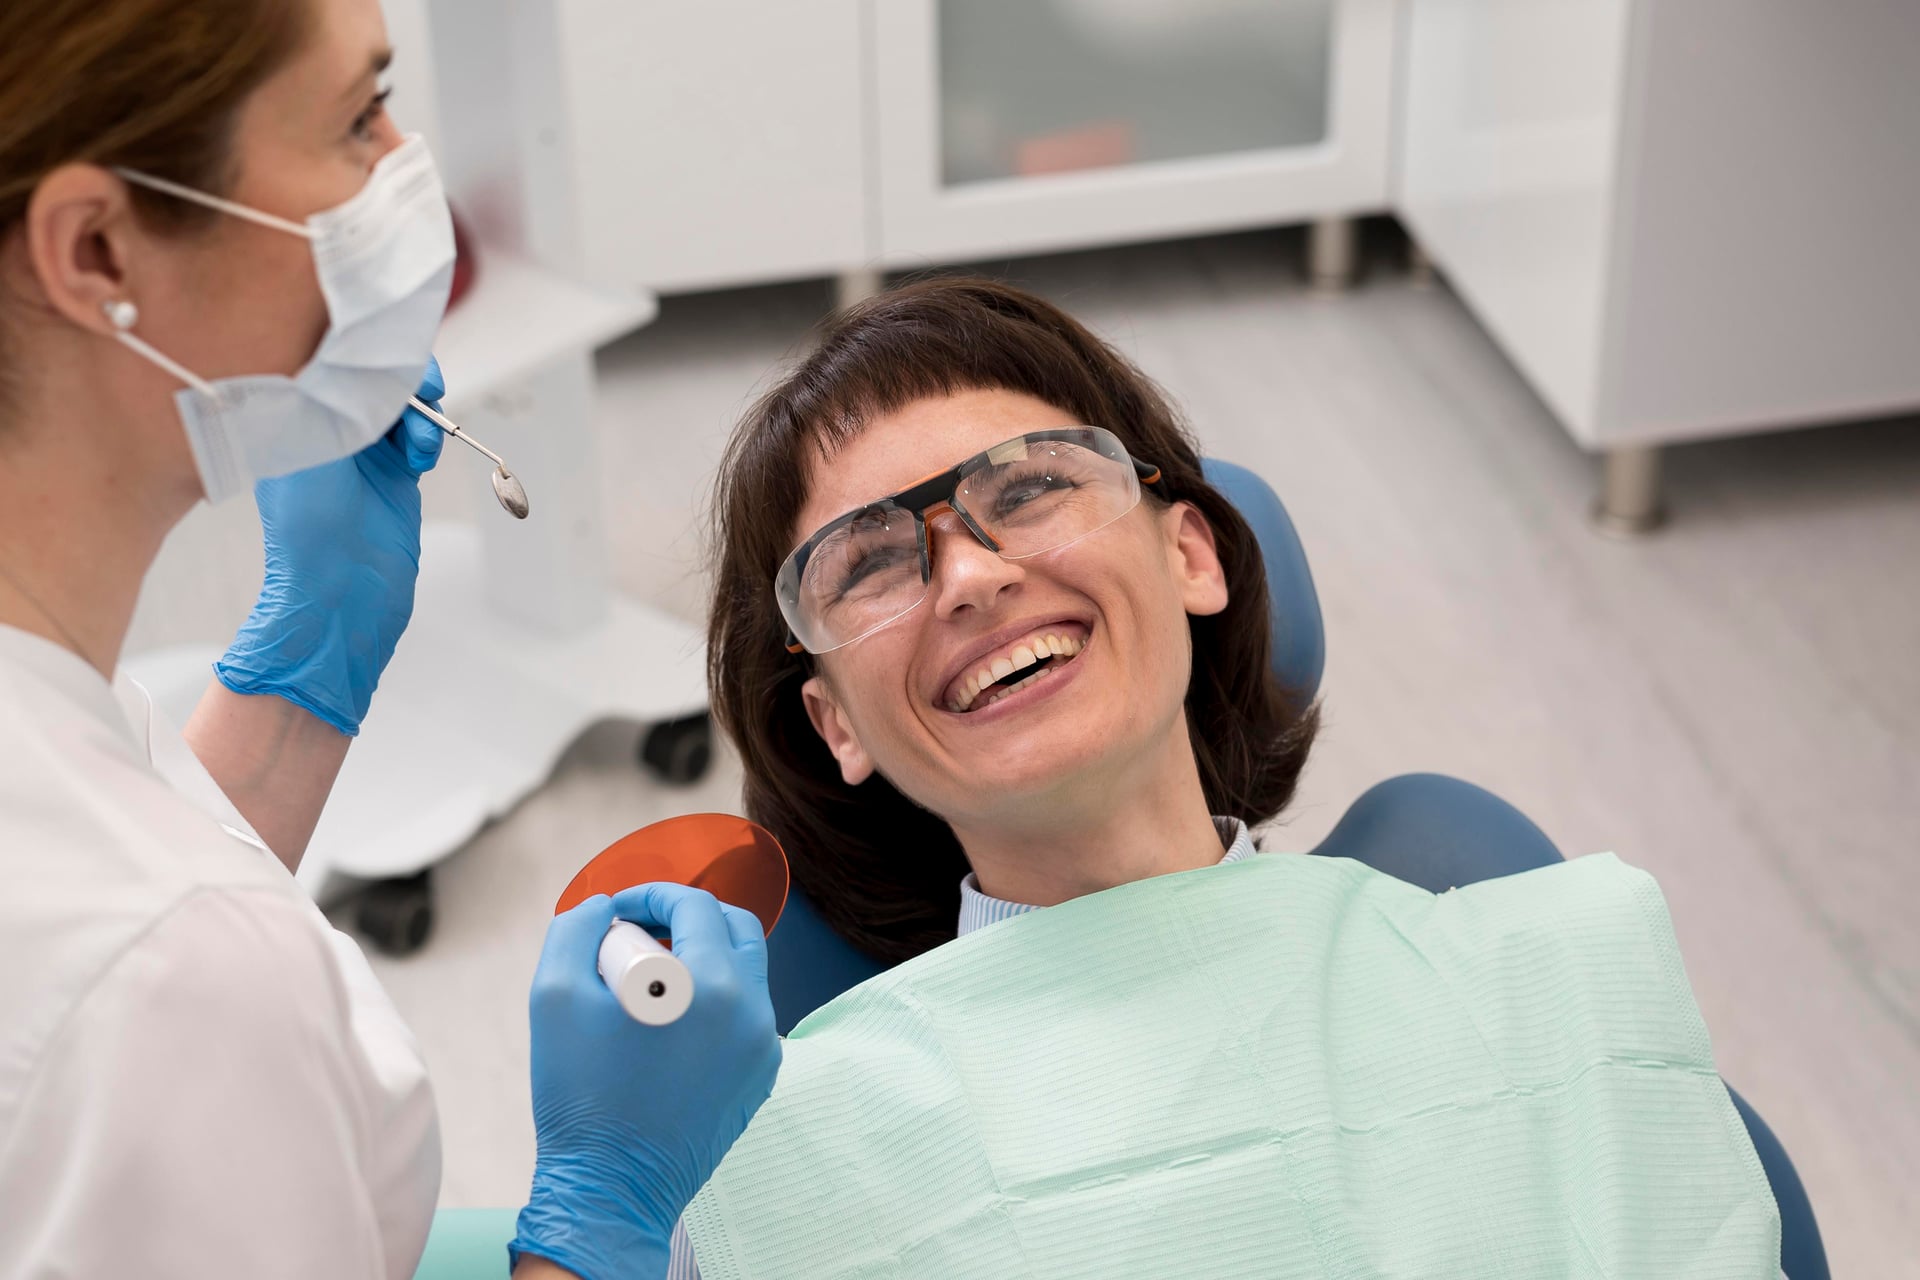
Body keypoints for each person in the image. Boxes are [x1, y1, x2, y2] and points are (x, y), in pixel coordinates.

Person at [687, 277, 1780, 1275]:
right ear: (837, 725)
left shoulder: (1538, 972)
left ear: (1190, 556)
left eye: (1024, 490)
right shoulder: (799, 1158)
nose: (969, 574)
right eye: (871, 561)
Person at [0, 3, 778, 1278]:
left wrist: (306, 670)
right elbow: (138, 952)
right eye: (359, 117)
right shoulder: (169, 996)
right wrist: (604, 1213)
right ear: (97, 249)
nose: (410, 161)